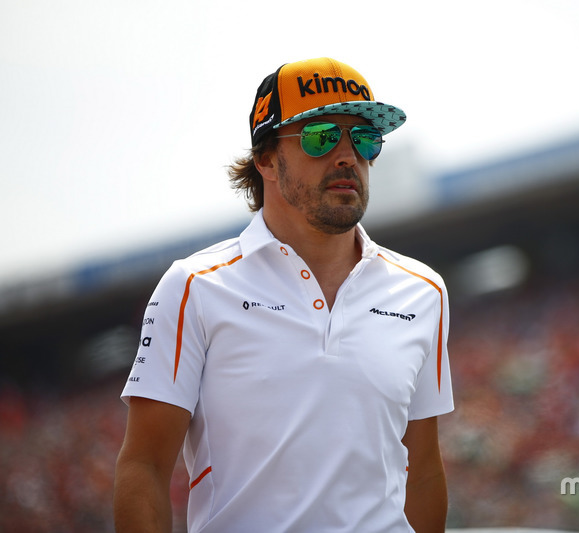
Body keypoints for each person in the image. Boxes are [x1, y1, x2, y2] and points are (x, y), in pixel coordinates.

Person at [113, 57, 454, 533]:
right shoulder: (193, 287)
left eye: (364, 138)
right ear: (266, 158)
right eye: (321, 136)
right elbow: (144, 468)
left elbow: (423, 472)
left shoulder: (423, 291)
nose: (346, 155)